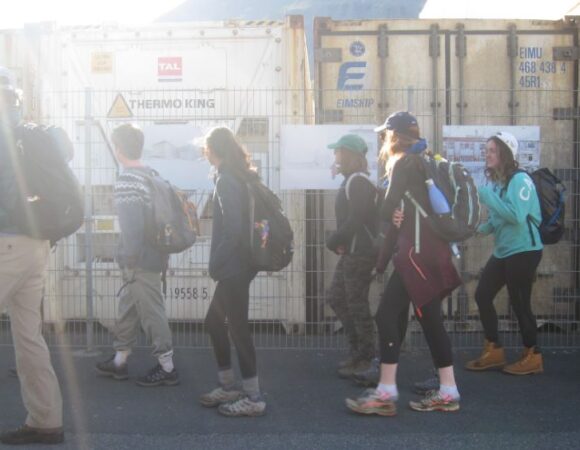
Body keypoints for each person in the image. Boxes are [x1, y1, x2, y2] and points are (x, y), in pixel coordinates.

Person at [346, 111, 462, 416]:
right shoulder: (425, 158)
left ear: (393, 136)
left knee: (388, 316)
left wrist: (388, 205)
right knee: (425, 319)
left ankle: (390, 391)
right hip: (429, 253)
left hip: (416, 257)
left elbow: (385, 209)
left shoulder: (400, 162)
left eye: (385, 134)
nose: (382, 139)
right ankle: (442, 389)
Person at [0, 67, 64, 445]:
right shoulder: (29, 134)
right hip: (36, 245)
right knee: (28, 338)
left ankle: (45, 419)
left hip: (6, 244)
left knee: (28, 337)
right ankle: (46, 419)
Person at [95, 124, 179, 387]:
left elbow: (132, 227)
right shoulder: (151, 174)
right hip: (154, 255)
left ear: (118, 149)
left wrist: (127, 258)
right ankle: (120, 360)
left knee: (152, 312)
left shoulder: (127, 181)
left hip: (140, 260)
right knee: (128, 308)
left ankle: (167, 367)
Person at [199, 126, 266, 417]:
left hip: (234, 265)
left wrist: (216, 262)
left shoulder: (227, 179)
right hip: (243, 263)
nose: (205, 154)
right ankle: (229, 386)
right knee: (216, 322)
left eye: (206, 150)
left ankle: (252, 397)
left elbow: (234, 229)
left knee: (236, 328)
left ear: (213, 150)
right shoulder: (240, 175)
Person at [465, 132, 544, 375]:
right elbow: (498, 221)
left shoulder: (521, 180)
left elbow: (517, 216)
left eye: (492, 150)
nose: (486, 154)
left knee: (520, 304)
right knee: (482, 295)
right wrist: (475, 229)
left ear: (505, 154)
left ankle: (533, 356)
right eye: (486, 149)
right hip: (503, 251)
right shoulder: (498, 183)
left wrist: (487, 197)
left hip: (524, 251)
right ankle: (494, 350)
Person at [325, 134, 377, 378]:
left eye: (338, 151)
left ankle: (366, 358)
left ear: (349, 155)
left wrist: (334, 240)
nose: (335, 156)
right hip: (352, 252)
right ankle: (358, 352)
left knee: (357, 306)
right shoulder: (352, 181)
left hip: (361, 254)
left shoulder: (358, 182)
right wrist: (340, 243)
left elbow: (356, 219)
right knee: (337, 297)